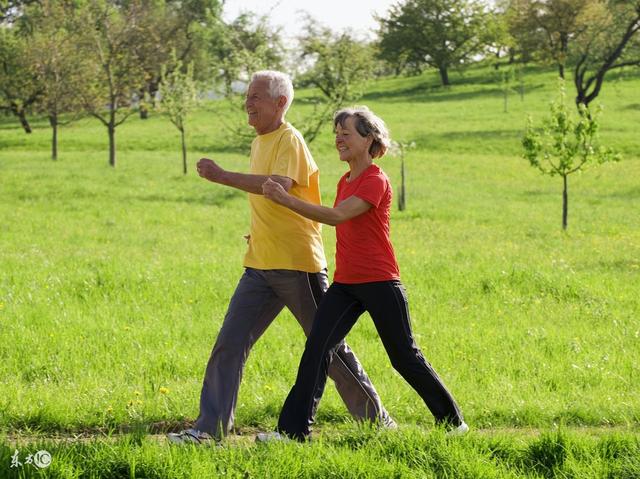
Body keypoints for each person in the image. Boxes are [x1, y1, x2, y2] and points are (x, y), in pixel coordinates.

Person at [167, 72, 394, 444]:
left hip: (297, 264)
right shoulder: (260, 141)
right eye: (247, 96)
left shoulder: (290, 139)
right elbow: (269, 199)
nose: (248, 104)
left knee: (328, 348)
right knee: (230, 343)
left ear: (280, 103)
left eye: (256, 97)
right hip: (258, 263)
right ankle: (209, 431)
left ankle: (376, 420)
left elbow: (278, 187)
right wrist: (260, 231)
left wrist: (222, 176)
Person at [259, 106, 468, 442]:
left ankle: (453, 423)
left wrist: (284, 199)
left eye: (347, 133)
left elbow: (337, 216)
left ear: (369, 138)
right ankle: (293, 431)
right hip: (346, 284)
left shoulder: (375, 180)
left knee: (404, 357)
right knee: (317, 351)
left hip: (381, 282)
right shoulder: (345, 180)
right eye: (336, 133)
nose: (339, 139)